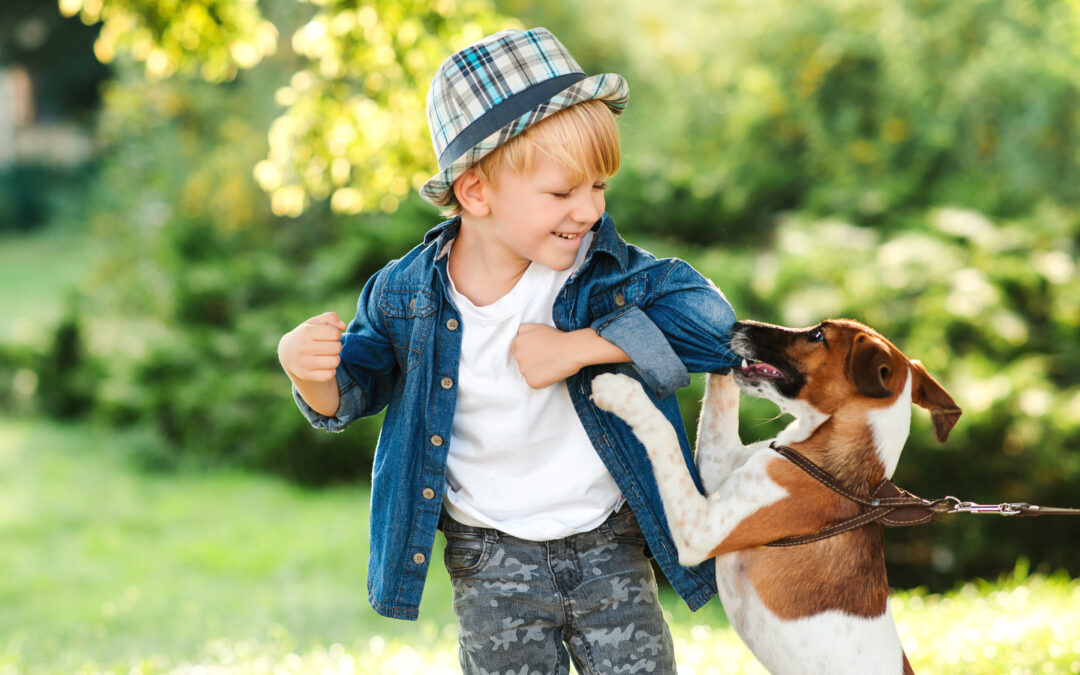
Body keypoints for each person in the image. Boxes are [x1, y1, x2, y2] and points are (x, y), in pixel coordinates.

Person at [277, 27, 739, 673]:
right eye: (562, 192)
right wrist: (309, 370)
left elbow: (714, 326)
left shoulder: (602, 272)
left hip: (610, 545)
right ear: (476, 192)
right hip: (491, 562)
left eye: (599, 187)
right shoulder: (407, 294)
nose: (588, 210)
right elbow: (351, 391)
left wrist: (578, 346)